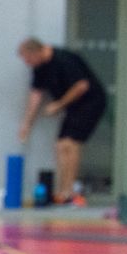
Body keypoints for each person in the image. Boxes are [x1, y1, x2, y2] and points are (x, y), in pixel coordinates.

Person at [17, 37, 107, 205]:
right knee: (60, 145)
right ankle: (62, 191)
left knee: (70, 143)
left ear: (36, 52)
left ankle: (70, 192)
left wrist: (58, 105)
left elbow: (81, 86)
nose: (28, 64)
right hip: (73, 107)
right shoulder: (39, 68)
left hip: (91, 102)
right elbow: (36, 95)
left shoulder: (64, 59)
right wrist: (27, 124)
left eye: (28, 60)